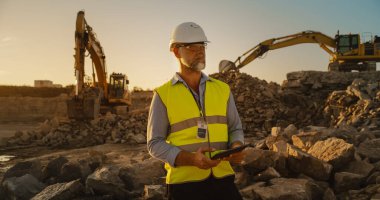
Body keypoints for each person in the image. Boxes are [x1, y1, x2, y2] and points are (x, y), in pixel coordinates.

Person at [147, 22, 245, 200]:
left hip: (223, 180)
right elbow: (154, 143)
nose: (200, 51)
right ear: (176, 51)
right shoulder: (162, 95)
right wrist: (191, 159)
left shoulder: (223, 89)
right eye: (191, 47)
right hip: (183, 186)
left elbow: (235, 128)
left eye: (202, 46)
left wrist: (236, 147)